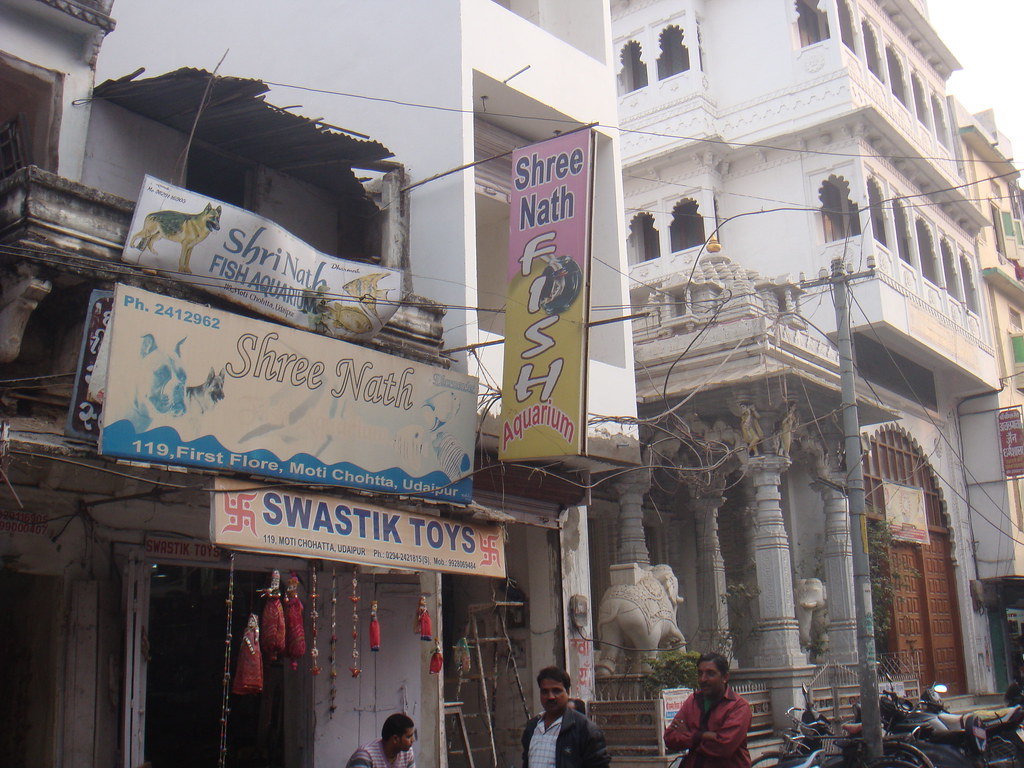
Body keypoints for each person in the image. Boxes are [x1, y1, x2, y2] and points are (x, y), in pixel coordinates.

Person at [664, 653, 751, 768]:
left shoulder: (739, 707)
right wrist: (704, 736)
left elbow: (723, 748)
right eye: (700, 673)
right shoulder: (692, 701)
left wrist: (689, 735)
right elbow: (670, 739)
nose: (703, 679)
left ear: (725, 677)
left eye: (710, 674)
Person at [522, 666, 609, 768]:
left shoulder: (585, 730)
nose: (550, 697)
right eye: (545, 691)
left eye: (556, 691)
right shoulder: (533, 727)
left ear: (567, 692)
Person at [346, 713, 416, 768]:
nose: (413, 740)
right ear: (395, 739)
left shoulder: (407, 753)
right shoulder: (366, 755)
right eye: (408, 737)